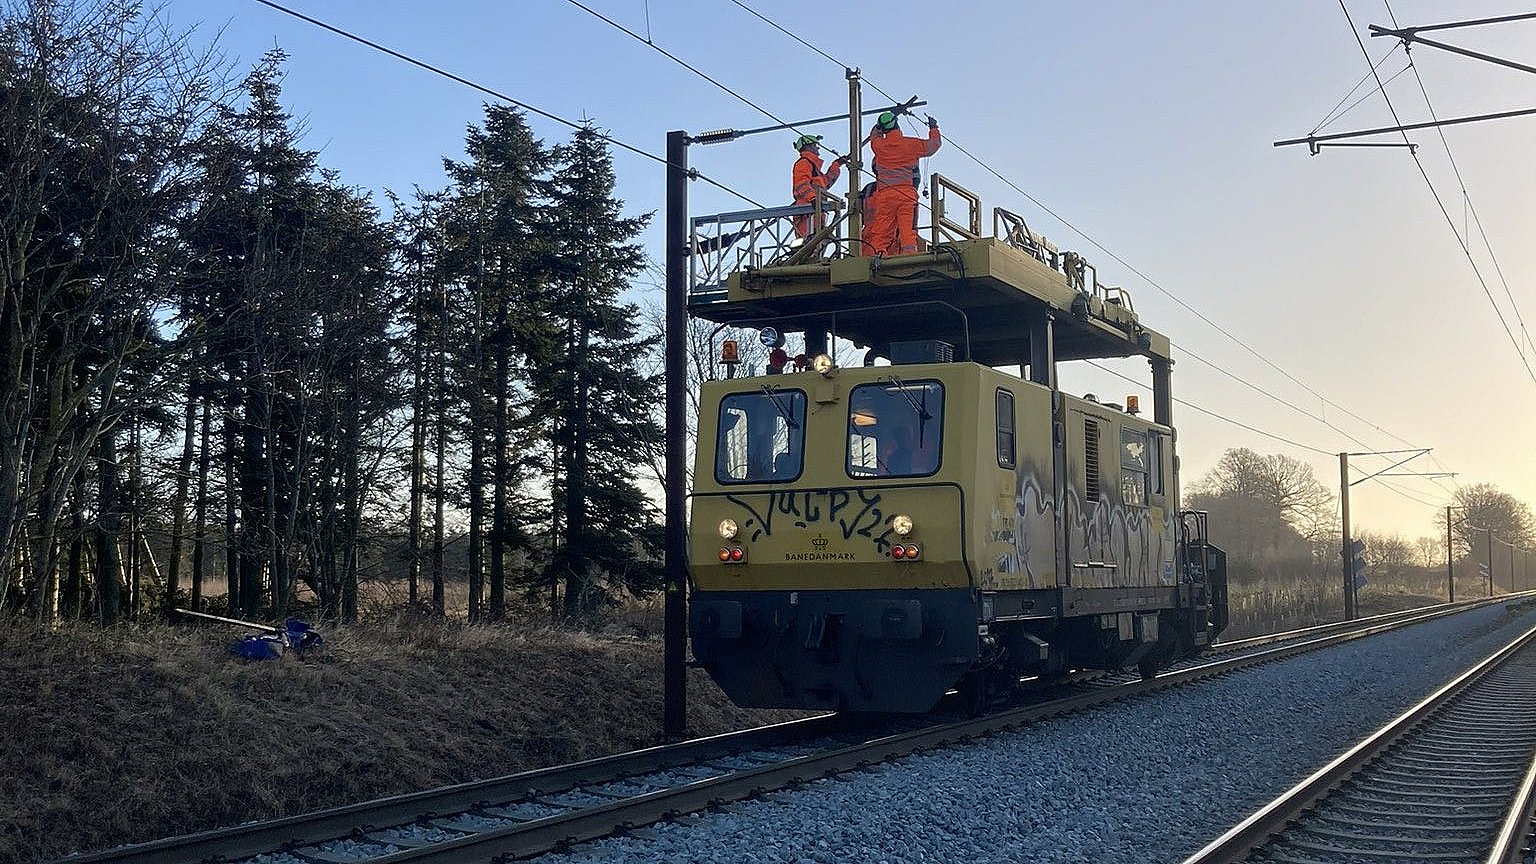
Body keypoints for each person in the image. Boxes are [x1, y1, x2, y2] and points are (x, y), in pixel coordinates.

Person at [866, 111, 941, 256]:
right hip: (906, 194)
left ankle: (878, 255)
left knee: (881, 230)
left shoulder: (878, 146)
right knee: (907, 230)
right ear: (897, 125)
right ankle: (909, 256)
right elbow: (934, 145)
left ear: (883, 129)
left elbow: (874, 135)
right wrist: (934, 128)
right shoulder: (911, 144)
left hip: (885, 195)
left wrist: (879, 126)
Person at [791, 134, 845, 239]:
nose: (818, 148)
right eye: (815, 145)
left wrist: (837, 165)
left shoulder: (813, 167)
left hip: (816, 212)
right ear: (808, 147)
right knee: (807, 243)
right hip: (806, 211)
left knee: (817, 244)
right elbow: (801, 184)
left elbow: (826, 182)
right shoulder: (803, 163)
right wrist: (813, 198)